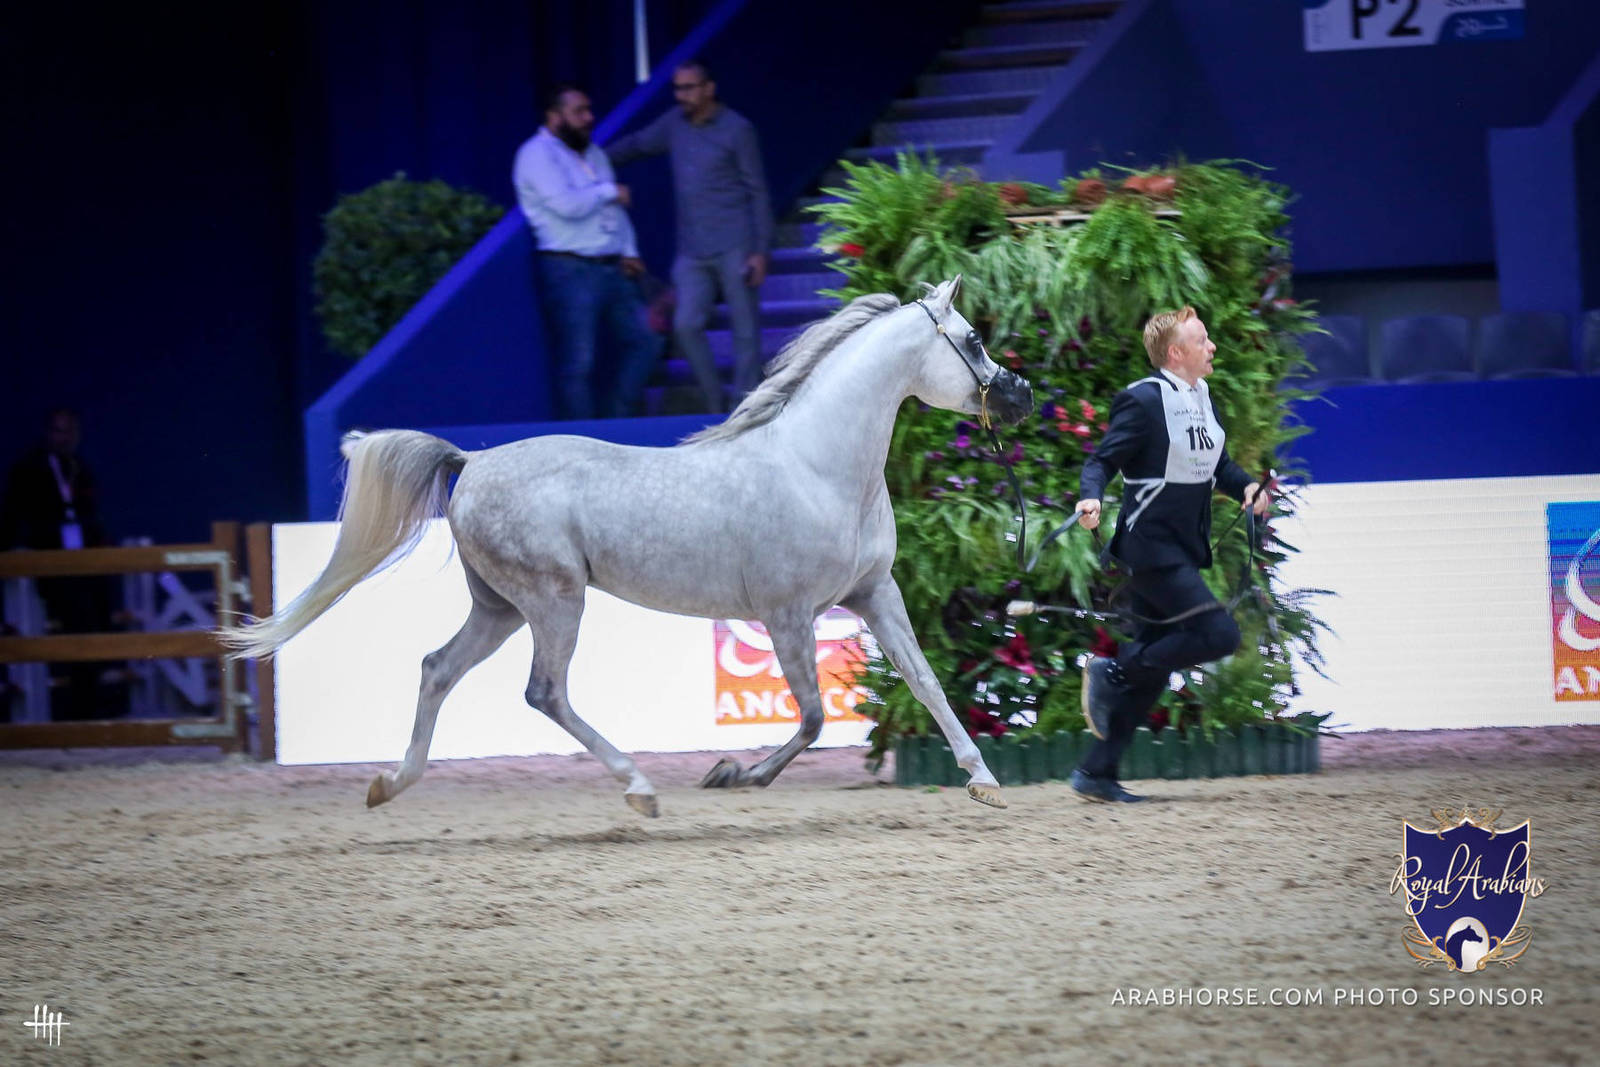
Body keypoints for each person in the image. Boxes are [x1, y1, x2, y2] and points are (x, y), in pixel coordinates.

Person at [1072, 307, 1271, 802]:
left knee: (1156, 668)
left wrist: (1246, 486)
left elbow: (1217, 464)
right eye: (1203, 341)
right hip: (1149, 548)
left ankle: (1096, 773)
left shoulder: (1204, 398)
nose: (1213, 348)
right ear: (1175, 353)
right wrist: (1090, 496)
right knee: (1218, 633)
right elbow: (1102, 460)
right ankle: (1113, 670)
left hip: (1182, 547)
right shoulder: (1142, 400)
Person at [606, 60, 772, 411]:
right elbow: (636, 144)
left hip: (735, 242)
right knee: (684, 325)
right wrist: (590, 160)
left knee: (744, 331)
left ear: (708, 88)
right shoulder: (673, 124)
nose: (682, 95)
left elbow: (757, 191)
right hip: (692, 250)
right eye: (678, 89)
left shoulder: (736, 129)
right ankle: (715, 403)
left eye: (689, 87)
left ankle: (744, 409)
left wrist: (760, 251)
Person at [514, 84, 663, 419]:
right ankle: (582, 442)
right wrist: (609, 190)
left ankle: (617, 419)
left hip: (614, 266)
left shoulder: (593, 154)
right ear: (554, 116)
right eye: (578, 111)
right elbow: (567, 206)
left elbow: (615, 211)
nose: (588, 118)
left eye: (588, 110)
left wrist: (630, 250)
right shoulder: (536, 154)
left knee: (647, 340)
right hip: (569, 270)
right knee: (578, 362)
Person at [1, 408, 121, 720]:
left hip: (84, 560)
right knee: (76, 621)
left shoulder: (80, 467)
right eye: (57, 430)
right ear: (47, 433)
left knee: (100, 615)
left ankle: (95, 705)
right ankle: (78, 712)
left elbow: (91, 514)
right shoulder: (28, 468)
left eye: (69, 431)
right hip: (49, 560)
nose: (63, 437)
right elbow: (16, 514)